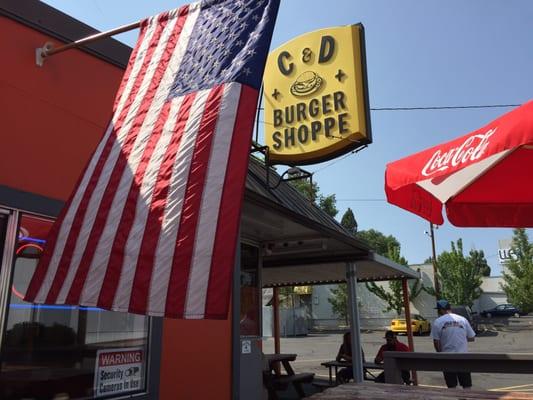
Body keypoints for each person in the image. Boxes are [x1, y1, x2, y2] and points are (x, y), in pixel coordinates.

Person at [431, 299, 476, 389]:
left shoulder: (438, 322)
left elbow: (436, 342)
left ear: (440, 310)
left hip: (447, 358)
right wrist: (461, 338)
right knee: (466, 385)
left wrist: (440, 354)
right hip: (463, 357)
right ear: (449, 308)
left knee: (452, 385)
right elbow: (472, 338)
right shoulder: (462, 319)